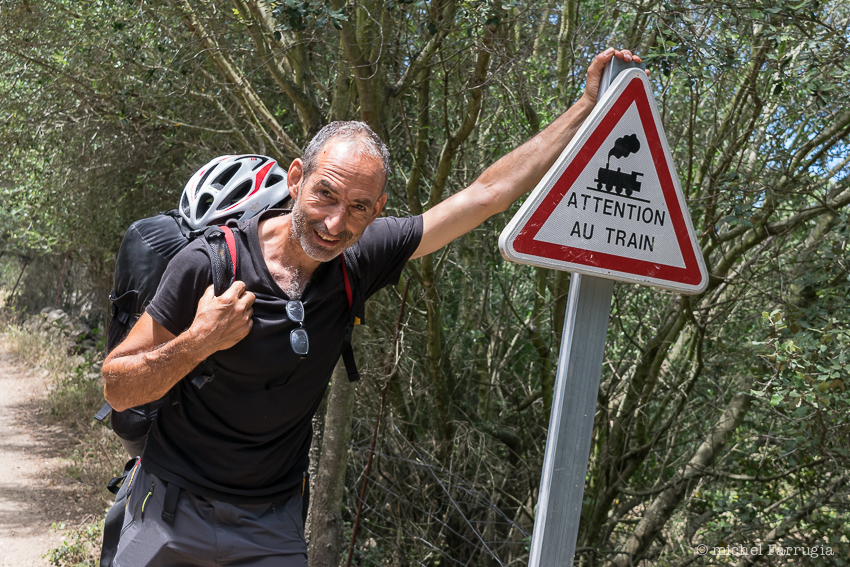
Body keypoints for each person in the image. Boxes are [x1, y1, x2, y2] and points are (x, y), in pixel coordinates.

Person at [102, 48, 641, 566]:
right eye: (325, 195)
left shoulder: (360, 258)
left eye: (359, 207)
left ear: (378, 208)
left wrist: (585, 107)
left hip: (269, 525)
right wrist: (199, 341)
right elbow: (118, 387)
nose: (336, 223)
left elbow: (487, 193)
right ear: (296, 178)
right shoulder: (210, 263)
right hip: (170, 509)